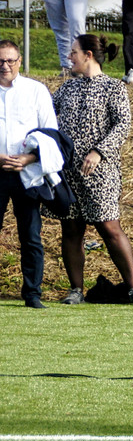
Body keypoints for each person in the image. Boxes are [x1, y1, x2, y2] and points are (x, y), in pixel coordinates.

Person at [47, 35, 133, 306]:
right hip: (67, 171)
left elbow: (122, 124)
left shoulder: (113, 88)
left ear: (89, 55)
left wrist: (99, 151)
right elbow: (46, 116)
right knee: (71, 229)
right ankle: (76, 290)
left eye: (74, 53)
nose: (69, 57)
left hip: (101, 172)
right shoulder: (66, 89)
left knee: (110, 227)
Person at [0, 40, 57, 309]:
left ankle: (32, 293)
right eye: (0, 60)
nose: (5, 65)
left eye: (10, 60)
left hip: (27, 174)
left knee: (31, 235)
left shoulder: (36, 91)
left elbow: (50, 134)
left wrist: (29, 158)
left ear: (20, 61)